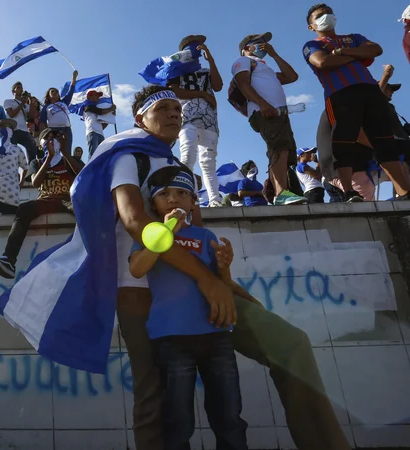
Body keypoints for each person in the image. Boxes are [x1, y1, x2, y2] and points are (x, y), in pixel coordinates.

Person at [105, 86, 348, 450]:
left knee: (289, 343)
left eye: (178, 108)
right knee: (156, 399)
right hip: (143, 293)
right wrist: (207, 281)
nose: (175, 113)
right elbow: (135, 222)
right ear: (140, 118)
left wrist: (225, 282)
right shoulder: (126, 158)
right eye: (164, 108)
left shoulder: (181, 168)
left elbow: (200, 234)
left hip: (208, 291)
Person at [128, 166, 249, 450]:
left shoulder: (205, 236)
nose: (173, 199)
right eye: (164, 194)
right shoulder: (149, 235)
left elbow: (220, 284)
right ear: (153, 204)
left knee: (229, 414)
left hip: (215, 333)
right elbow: (137, 269)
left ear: (194, 202)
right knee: (177, 420)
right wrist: (166, 231)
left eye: (182, 194)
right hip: (171, 339)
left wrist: (224, 269)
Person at [303, 3, 410, 202]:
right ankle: (347, 192)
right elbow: (322, 62)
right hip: (340, 94)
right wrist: (357, 54)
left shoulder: (353, 37)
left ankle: (405, 192)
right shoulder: (312, 45)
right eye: (320, 15)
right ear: (311, 26)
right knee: (343, 143)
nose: (326, 16)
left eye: (328, 13)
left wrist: (343, 53)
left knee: (384, 142)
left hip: (369, 91)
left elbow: (375, 49)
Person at [0, 128, 80, 278]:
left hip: (67, 199)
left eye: (55, 137)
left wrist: (65, 152)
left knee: (83, 207)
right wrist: (49, 159)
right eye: (47, 138)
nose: (52, 140)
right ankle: (8, 260)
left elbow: (84, 173)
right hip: (46, 200)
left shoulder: (69, 160)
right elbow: (36, 182)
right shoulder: (38, 162)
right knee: (24, 208)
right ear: (41, 145)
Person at [233, 32, 307, 206]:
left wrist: (274, 55)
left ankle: (279, 192)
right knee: (278, 148)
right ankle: (281, 193)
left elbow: (292, 76)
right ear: (246, 47)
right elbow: (243, 83)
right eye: (258, 42)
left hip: (278, 113)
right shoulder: (243, 61)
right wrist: (263, 104)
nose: (263, 45)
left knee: (284, 150)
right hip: (264, 111)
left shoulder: (265, 68)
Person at [168, 35, 224, 207]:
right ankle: (187, 197)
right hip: (187, 118)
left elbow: (218, 86)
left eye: (201, 45)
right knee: (188, 155)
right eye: (194, 45)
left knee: (208, 162)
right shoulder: (177, 69)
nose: (198, 48)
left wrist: (211, 60)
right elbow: (174, 91)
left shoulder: (206, 71)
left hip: (209, 120)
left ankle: (215, 199)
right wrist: (202, 94)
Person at [40, 70, 79, 154]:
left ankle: (67, 166)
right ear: (49, 96)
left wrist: (74, 77)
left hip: (66, 129)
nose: (55, 92)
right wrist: (43, 136)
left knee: (67, 152)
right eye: (52, 91)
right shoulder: (46, 107)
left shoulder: (64, 102)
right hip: (53, 130)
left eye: (56, 91)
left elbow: (71, 89)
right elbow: (42, 122)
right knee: (54, 152)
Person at [4, 83, 39, 162]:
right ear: (13, 91)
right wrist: (22, 103)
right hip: (12, 130)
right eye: (18, 87)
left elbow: (33, 115)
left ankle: (31, 169)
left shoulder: (26, 105)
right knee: (13, 151)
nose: (21, 89)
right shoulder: (8, 101)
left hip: (24, 131)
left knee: (32, 146)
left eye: (21, 87)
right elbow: (12, 114)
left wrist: (30, 100)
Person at [83, 90, 116, 158]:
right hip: (92, 132)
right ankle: (91, 168)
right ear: (90, 97)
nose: (98, 98)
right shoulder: (88, 107)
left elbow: (102, 127)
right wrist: (111, 109)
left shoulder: (95, 109)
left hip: (100, 134)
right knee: (93, 155)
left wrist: (111, 117)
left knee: (100, 156)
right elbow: (101, 111)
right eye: (96, 95)